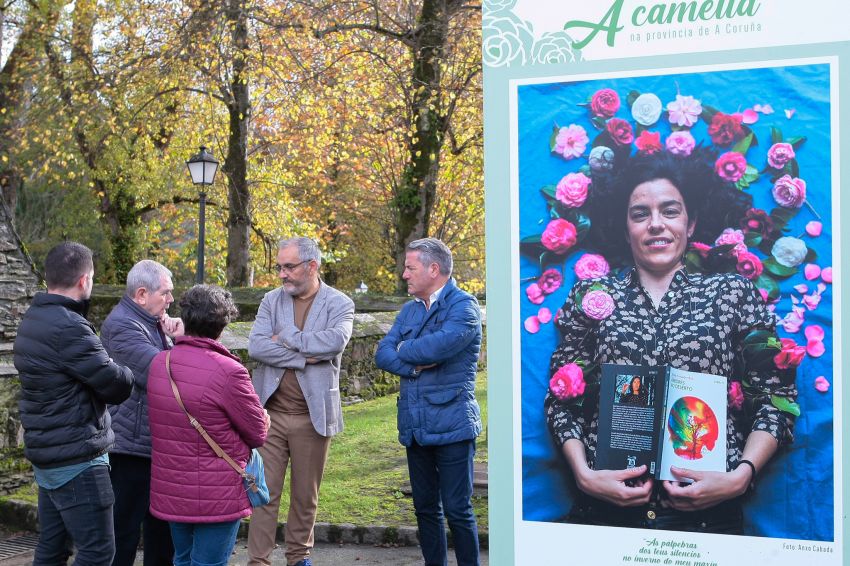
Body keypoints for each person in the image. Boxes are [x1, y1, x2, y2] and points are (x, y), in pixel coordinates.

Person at [544, 148, 798, 533]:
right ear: (626, 226)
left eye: (670, 211)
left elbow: (775, 396)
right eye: (640, 214)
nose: (656, 224)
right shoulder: (591, 295)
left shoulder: (732, 292)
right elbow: (562, 399)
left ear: (691, 223)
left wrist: (741, 475)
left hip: (710, 517)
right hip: (605, 513)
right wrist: (583, 474)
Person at [14, 241, 134, 565]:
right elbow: (116, 385)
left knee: (52, 550)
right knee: (97, 552)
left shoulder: (32, 320)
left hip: (49, 457)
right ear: (84, 280)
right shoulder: (69, 328)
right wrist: (124, 366)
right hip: (77, 459)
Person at [247, 237, 355, 566]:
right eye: (279, 267)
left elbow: (334, 342)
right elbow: (257, 346)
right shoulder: (270, 301)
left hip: (314, 416)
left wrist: (288, 337)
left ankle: (298, 558)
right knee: (263, 493)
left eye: (289, 267)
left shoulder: (340, 303)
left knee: (305, 496)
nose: (282, 274)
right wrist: (303, 357)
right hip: (270, 415)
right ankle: (258, 560)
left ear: (311, 266)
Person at [375, 237, 483, 566]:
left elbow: (436, 348)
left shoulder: (464, 307)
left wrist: (404, 352)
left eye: (410, 267)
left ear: (433, 269)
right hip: (415, 425)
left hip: (452, 425)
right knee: (424, 507)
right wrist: (413, 359)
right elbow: (382, 354)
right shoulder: (409, 310)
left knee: (457, 510)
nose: (404, 274)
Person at [147, 284, 269, 566]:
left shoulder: (159, 363)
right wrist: (265, 419)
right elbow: (257, 433)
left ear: (185, 318)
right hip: (219, 493)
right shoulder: (229, 371)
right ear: (223, 325)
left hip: (173, 488)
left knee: (183, 560)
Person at [100, 260, 182, 566]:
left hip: (154, 446)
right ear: (142, 294)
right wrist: (185, 339)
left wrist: (174, 337)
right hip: (130, 448)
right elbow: (161, 373)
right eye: (166, 293)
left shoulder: (152, 322)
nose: (171, 300)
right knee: (123, 533)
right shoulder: (122, 324)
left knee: (162, 535)